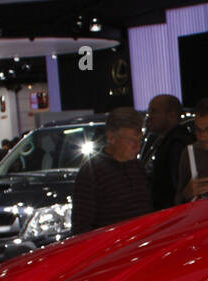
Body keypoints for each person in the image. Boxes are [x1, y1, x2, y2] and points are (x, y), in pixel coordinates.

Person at [71, 106, 153, 235]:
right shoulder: (92, 172)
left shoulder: (136, 167)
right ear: (111, 137)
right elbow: (82, 228)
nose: (137, 146)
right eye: (132, 140)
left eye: (140, 140)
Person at [140, 94, 193, 210]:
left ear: (172, 115)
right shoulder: (162, 140)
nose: (149, 117)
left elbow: (176, 186)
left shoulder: (177, 143)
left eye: (154, 111)